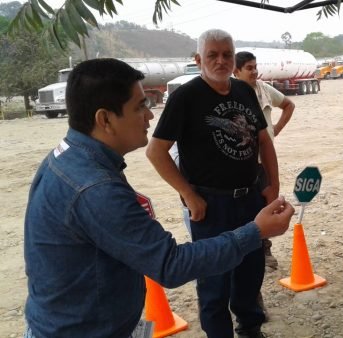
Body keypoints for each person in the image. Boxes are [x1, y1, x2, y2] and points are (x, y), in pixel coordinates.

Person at [22, 58, 294, 338]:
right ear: (105, 119)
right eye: (139, 106)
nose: (149, 116)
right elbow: (171, 264)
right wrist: (256, 231)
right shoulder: (95, 189)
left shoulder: (69, 156)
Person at [145, 29, 279, 338]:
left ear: (234, 58)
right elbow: (156, 151)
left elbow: (263, 141)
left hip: (250, 199)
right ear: (198, 60)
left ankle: (250, 329)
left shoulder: (244, 91)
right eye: (212, 55)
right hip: (211, 206)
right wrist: (188, 194)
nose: (221, 61)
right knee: (214, 282)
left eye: (227, 55)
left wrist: (273, 183)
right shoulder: (185, 97)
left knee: (250, 272)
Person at [234, 50, 296, 270]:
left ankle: (265, 249)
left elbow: (289, 105)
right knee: (247, 205)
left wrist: (276, 129)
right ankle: (249, 251)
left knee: (267, 200)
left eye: (255, 66)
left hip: (266, 159)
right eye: (249, 68)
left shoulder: (264, 90)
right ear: (236, 71)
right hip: (243, 161)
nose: (254, 71)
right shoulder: (231, 94)